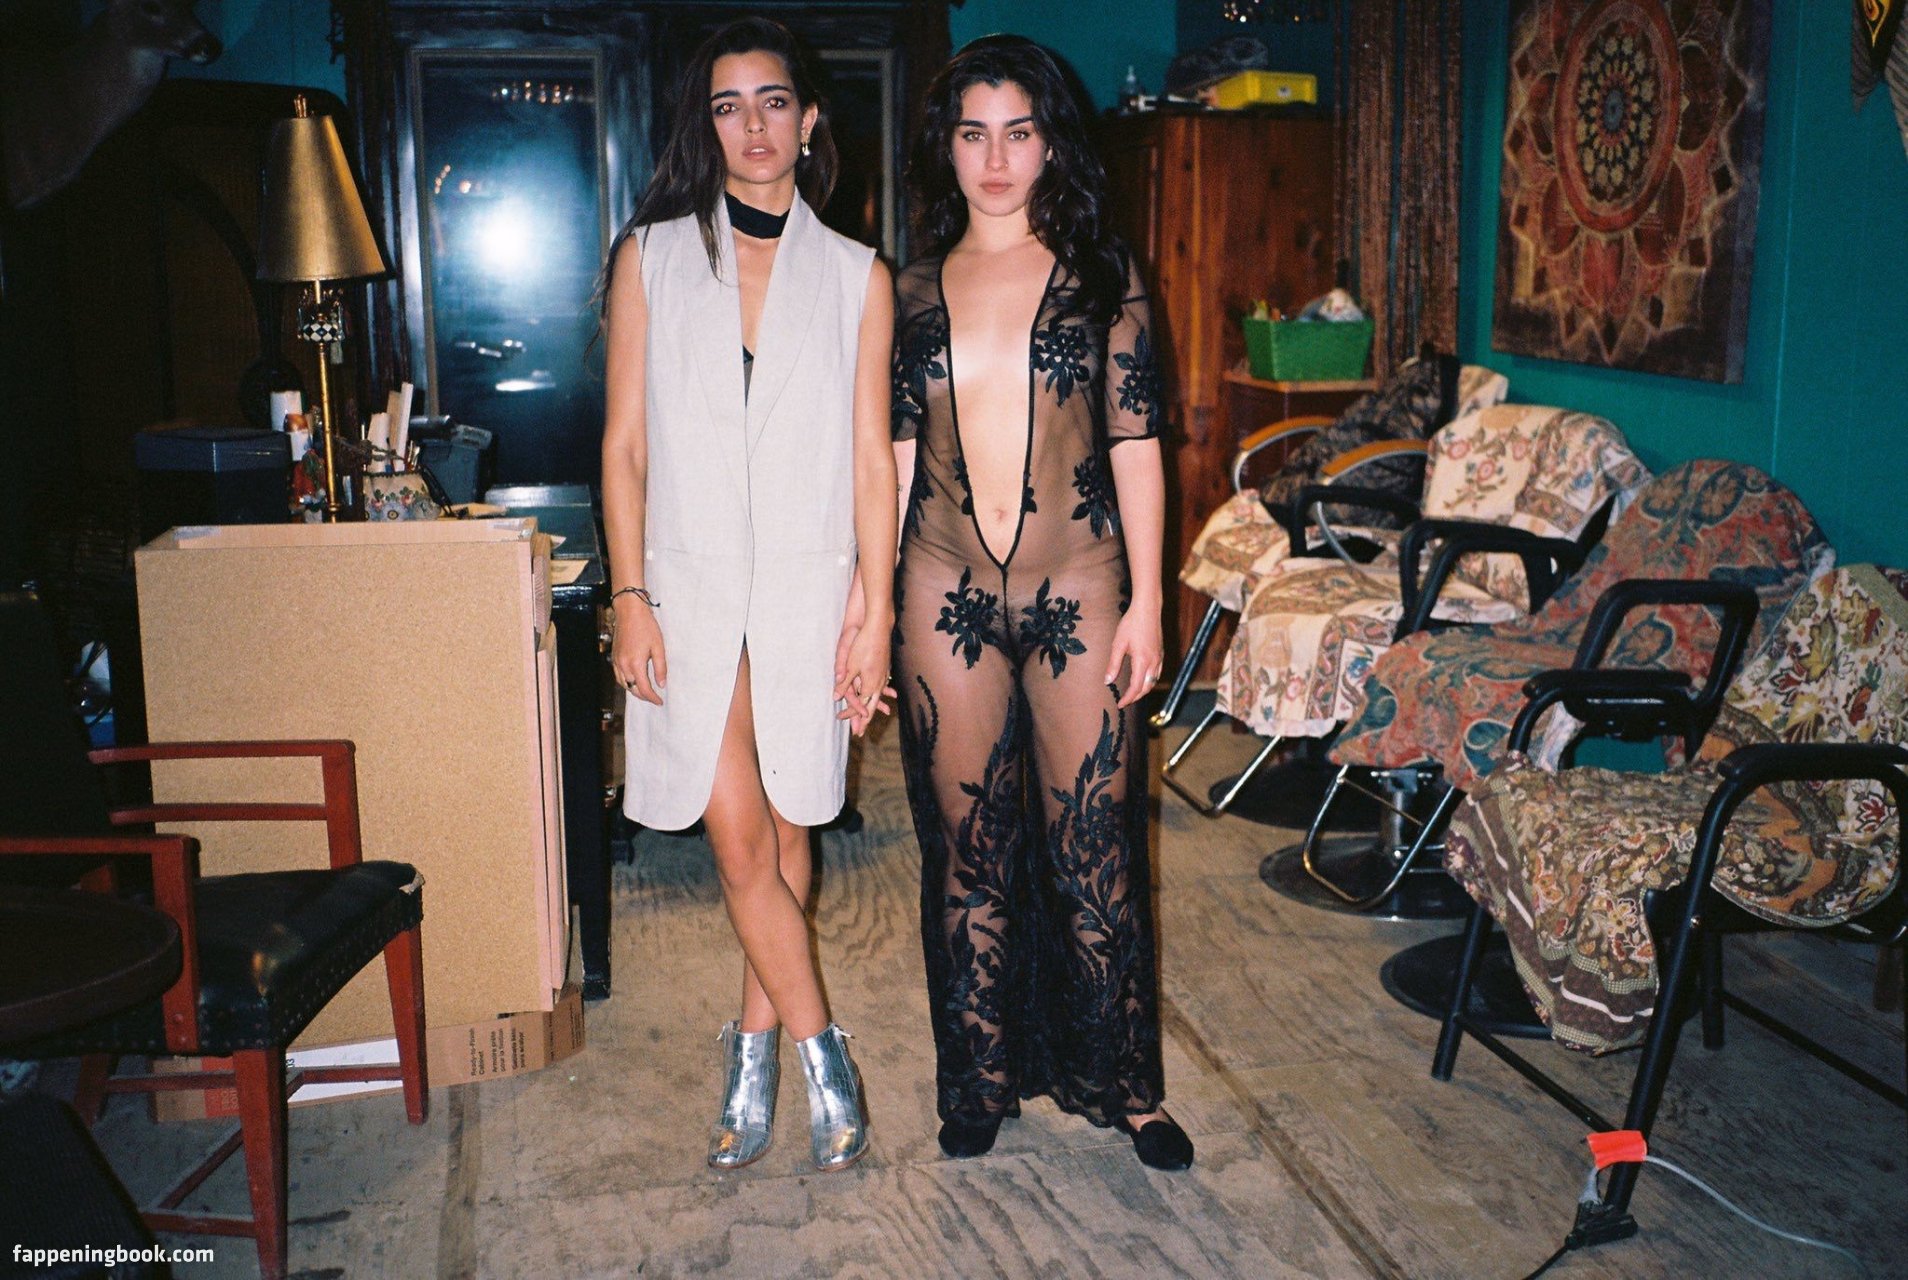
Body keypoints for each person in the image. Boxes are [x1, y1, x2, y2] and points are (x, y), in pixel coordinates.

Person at [891, 36, 1193, 1171]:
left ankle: (1128, 1088)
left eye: (1017, 132)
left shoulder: (1103, 278)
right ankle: (977, 1081)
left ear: (1051, 142)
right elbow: (890, 463)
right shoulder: (909, 288)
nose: (995, 158)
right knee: (966, 848)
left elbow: (1138, 446)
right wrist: (864, 608)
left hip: (1081, 585)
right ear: (947, 148)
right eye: (974, 134)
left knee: (1094, 844)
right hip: (943, 587)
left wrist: (1149, 604)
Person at [600, 16, 896, 1173]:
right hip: (687, 588)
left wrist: (873, 612)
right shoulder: (652, 256)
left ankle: (752, 1054)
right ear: (706, 125)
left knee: (788, 826)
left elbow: (871, 460)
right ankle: (826, 1055)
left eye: (773, 101)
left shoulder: (858, 276)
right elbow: (624, 444)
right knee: (737, 841)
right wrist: (628, 592)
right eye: (728, 106)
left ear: (808, 119)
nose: (753, 126)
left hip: (809, 591)